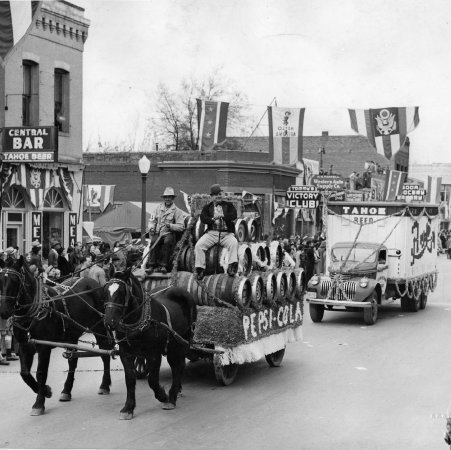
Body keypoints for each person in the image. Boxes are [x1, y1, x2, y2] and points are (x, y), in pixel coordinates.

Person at [194, 184, 238, 280]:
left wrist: (223, 216)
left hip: (226, 234)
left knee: (234, 243)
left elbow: (234, 215)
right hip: (212, 233)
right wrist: (213, 220)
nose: (218, 196)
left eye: (220, 194)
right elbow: (203, 218)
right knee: (199, 245)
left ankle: (231, 267)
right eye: (216, 194)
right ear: (212, 197)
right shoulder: (207, 207)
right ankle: (200, 269)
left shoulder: (228, 205)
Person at [145, 187, 185, 274]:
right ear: (164, 198)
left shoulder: (177, 211)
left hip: (169, 233)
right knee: (153, 242)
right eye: (166, 197)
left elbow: (181, 226)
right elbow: (152, 220)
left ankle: (163, 266)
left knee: (167, 242)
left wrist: (170, 225)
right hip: (158, 233)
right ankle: (151, 265)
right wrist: (151, 228)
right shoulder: (158, 209)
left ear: (173, 198)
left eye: (170, 197)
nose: (167, 199)